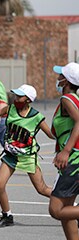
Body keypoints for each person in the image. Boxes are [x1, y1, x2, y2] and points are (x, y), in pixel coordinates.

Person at [0, 84, 55, 228]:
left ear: (28, 100)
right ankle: (7, 216)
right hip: (11, 155)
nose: (16, 98)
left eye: (19, 96)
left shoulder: (36, 116)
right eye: (16, 95)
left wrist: (67, 135)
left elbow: (52, 135)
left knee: (42, 189)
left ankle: (74, 207)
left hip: (27, 157)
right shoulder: (10, 109)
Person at [48, 62, 79, 239]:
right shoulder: (75, 100)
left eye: (61, 76)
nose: (58, 78)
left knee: (56, 210)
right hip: (74, 159)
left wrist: (66, 151)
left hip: (74, 159)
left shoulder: (67, 99)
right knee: (67, 212)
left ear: (66, 81)